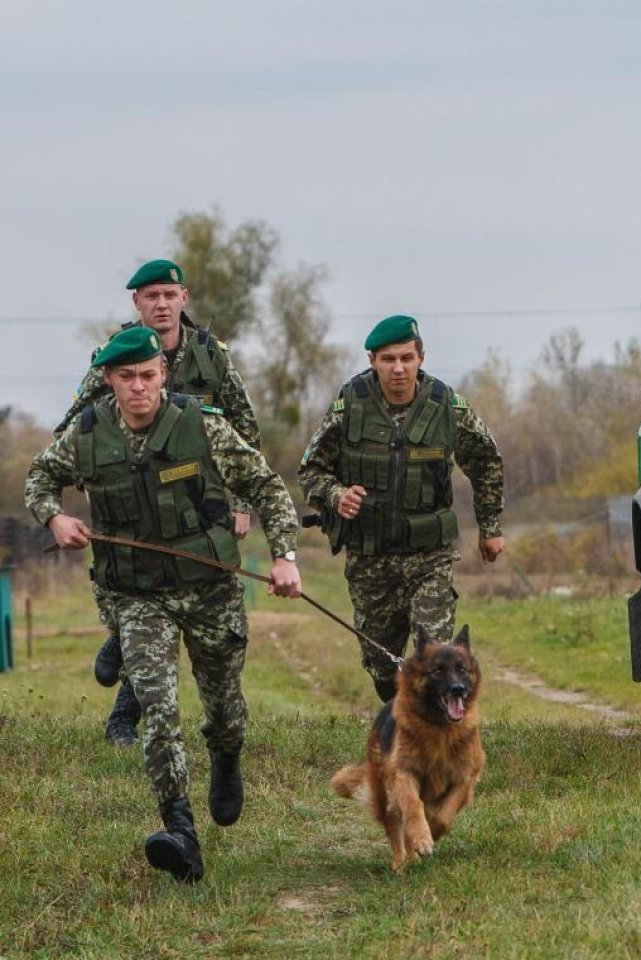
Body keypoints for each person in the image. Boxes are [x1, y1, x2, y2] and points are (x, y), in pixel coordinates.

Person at [25, 325, 302, 883]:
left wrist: (284, 556)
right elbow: (39, 479)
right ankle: (181, 833)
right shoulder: (86, 434)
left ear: (163, 376)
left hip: (209, 589)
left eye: (148, 376)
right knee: (157, 707)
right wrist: (54, 516)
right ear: (108, 381)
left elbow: (268, 487)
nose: (138, 388)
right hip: (137, 596)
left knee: (224, 709)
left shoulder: (203, 426)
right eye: (126, 378)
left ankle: (226, 755)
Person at [57, 259, 263, 748]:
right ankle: (121, 665)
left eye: (169, 295)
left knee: (171, 609)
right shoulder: (116, 356)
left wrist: (240, 503)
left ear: (184, 298)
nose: (161, 304)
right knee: (139, 607)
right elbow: (75, 424)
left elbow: (245, 429)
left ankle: (124, 718)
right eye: (151, 296)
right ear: (137, 303)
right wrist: (90, 474)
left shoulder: (214, 358)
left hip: (198, 506)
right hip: (131, 507)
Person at [298, 314, 504, 701]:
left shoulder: (448, 408)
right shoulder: (349, 407)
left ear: (421, 359)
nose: (398, 368)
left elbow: (486, 462)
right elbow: (310, 470)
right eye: (388, 359)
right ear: (372, 360)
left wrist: (490, 527)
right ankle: (398, 716)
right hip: (370, 556)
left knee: (435, 654)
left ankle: (437, 739)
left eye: (407, 358)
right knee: (381, 665)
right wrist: (336, 494)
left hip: (429, 555)